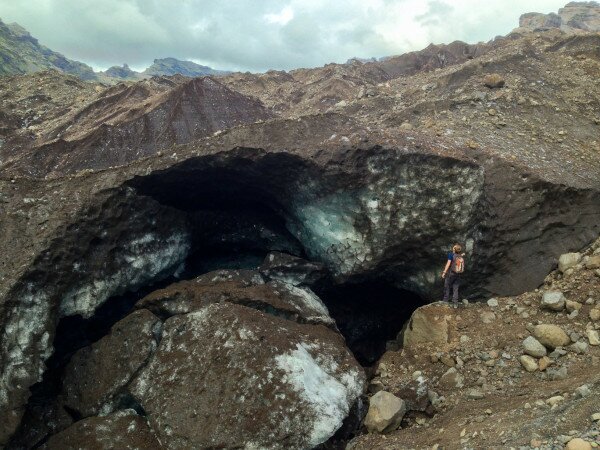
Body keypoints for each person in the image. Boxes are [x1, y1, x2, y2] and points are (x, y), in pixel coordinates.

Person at [442, 243, 465, 308]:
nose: (452, 248)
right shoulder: (460, 256)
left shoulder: (451, 255)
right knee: (455, 288)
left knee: (447, 286)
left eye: (453, 247)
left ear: (454, 249)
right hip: (458, 275)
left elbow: (448, 264)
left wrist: (444, 272)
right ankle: (455, 303)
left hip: (451, 274)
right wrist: (462, 254)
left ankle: (445, 301)